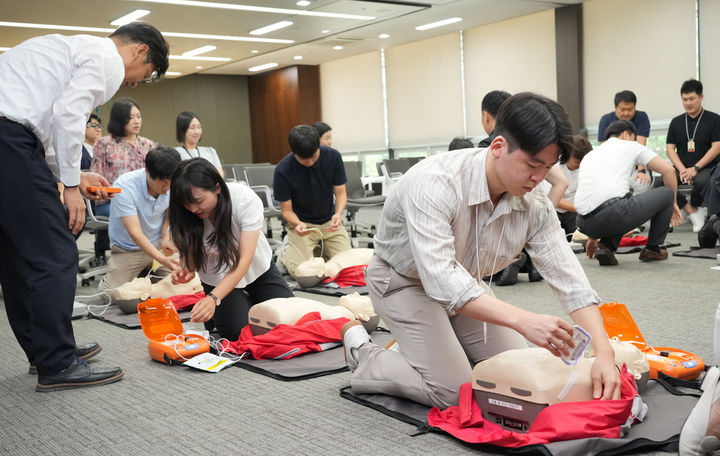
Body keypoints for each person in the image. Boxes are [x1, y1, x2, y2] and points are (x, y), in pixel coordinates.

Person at [341, 93, 620, 409]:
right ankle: (364, 354)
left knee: (516, 373)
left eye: (547, 168)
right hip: (403, 284)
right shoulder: (434, 183)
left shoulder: (535, 200)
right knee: (454, 393)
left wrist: (604, 351)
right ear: (498, 147)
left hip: (467, 287)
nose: (539, 178)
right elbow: (442, 280)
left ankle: (424, 348)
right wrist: (523, 319)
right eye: (531, 165)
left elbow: (568, 277)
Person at [0, 21, 169, 391]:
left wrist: (71, 175)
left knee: (17, 257)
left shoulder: (72, 49)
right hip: (10, 140)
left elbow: (42, 131)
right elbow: (66, 116)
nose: (137, 82)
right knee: (55, 252)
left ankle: (43, 351)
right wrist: (71, 188)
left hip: (11, 141)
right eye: (148, 73)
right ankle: (57, 363)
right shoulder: (107, 58)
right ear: (140, 50)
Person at [169, 158, 294, 341]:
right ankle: (231, 308)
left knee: (289, 319)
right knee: (238, 334)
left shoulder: (243, 199)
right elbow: (192, 251)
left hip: (255, 268)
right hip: (217, 275)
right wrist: (187, 268)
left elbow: (244, 261)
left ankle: (246, 302)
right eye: (186, 204)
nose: (193, 209)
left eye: (198, 201)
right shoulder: (184, 214)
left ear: (217, 188)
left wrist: (213, 299)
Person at [575, 120, 682, 266]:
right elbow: (668, 171)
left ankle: (606, 246)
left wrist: (593, 236)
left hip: (583, 222)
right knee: (666, 194)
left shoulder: (591, 154)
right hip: (613, 214)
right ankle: (653, 249)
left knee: (622, 201)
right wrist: (674, 202)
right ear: (626, 134)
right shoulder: (630, 145)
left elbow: (596, 194)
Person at [274, 125, 351, 278]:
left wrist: (338, 214)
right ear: (293, 152)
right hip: (302, 226)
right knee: (304, 274)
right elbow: (286, 211)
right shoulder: (283, 170)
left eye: (314, 156)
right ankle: (286, 255)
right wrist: (298, 224)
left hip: (329, 223)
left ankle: (316, 253)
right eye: (304, 159)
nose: (309, 162)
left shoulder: (333, 157)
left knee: (348, 269)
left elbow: (341, 193)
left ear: (318, 146)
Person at [102, 146, 182, 293]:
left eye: (171, 181)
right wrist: (161, 259)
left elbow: (169, 212)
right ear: (147, 172)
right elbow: (136, 232)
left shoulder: (175, 182)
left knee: (185, 285)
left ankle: (145, 278)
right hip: (128, 249)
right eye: (163, 182)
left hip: (159, 247)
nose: (167, 187)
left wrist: (165, 237)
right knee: (112, 295)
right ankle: (131, 279)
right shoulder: (124, 186)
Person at [90, 98, 157, 265]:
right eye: (130, 117)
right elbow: (95, 182)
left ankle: (154, 257)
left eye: (138, 116)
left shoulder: (148, 145)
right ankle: (134, 259)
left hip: (143, 202)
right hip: (112, 201)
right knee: (135, 214)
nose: (136, 121)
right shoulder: (104, 144)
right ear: (120, 119)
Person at [666, 79, 720, 232]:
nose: (688, 103)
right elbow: (670, 149)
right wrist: (683, 169)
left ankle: (699, 209)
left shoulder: (714, 119)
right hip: (682, 167)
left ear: (701, 97)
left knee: (703, 180)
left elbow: (717, 147)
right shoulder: (676, 122)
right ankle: (692, 211)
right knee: (662, 182)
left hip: (707, 167)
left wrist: (695, 168)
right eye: (684, 99)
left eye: (691, 99)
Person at [555, 135, 593, 235]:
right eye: (576, 163)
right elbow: (556, 200)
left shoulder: (587, 167)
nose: (579, 166)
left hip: (574, 211)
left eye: (582, 163)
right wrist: (580, 208)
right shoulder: (555, 166)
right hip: (554, 209)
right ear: (567, 155)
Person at [175, 111, 224, 177]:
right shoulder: (175, 153)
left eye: (199, 127)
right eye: (192, 128)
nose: (197, 132)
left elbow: (220, 175)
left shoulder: (210, 151)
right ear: (182, 130)